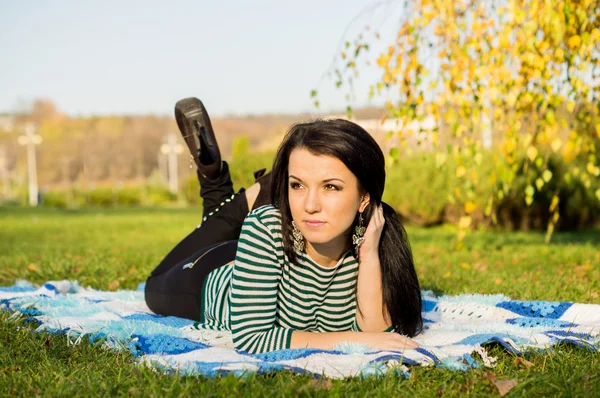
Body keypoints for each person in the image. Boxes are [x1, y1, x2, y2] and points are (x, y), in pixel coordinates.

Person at [145, 97, 423, 354]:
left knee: (242, 224)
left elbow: (377, 335)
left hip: (263, 253)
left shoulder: (372, 241)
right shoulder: (265, 228)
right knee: (153, 287)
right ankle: (221, 184)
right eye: (297, 185)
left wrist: (370, 252)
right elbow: (252, 339)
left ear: (365, 198)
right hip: (207, 279)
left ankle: (239, 191)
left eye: (330, 187)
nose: (310, 205)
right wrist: (350, 339)